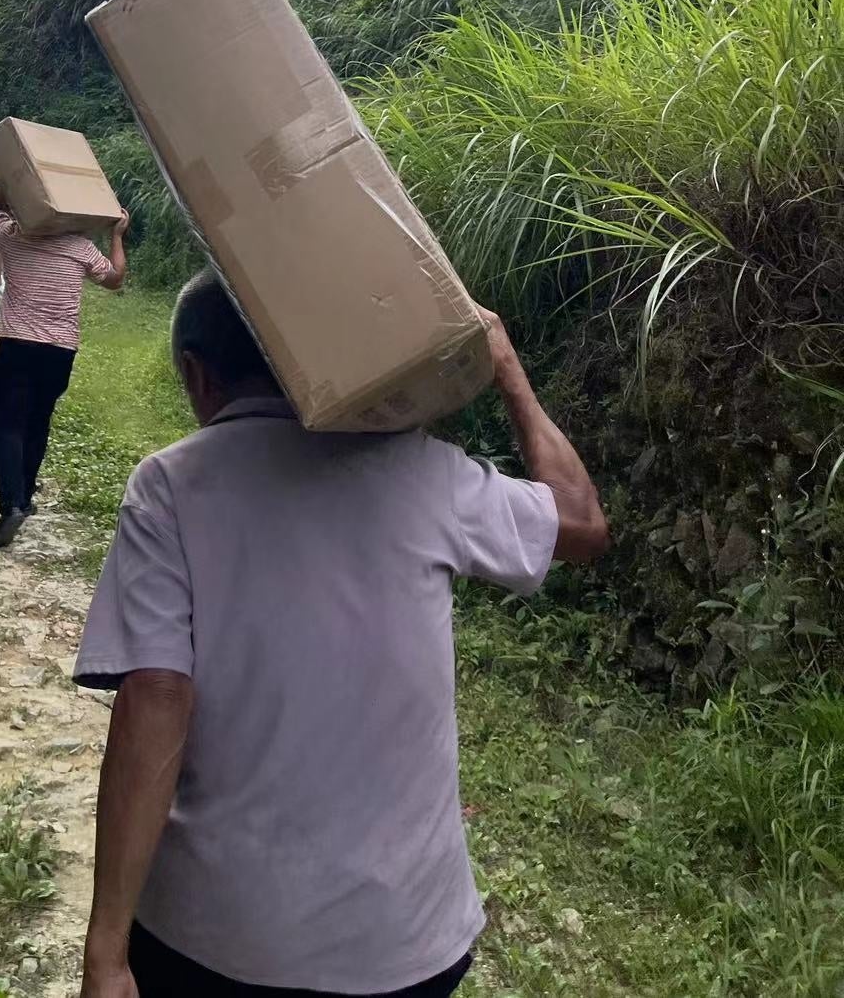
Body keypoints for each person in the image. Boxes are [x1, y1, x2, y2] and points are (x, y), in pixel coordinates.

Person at [74, 269, 610, 998]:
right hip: (407, 946)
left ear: (198, 376)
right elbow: (581, 523)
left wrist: (106, 952)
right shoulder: (424, 471)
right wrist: (507, 369)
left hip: (216, 940)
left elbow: (157, 695)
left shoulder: (170, 487)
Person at [0, 188, 129, 549]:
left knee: (8, 426)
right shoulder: (79, 247)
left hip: (16, 346)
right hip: (59, 352)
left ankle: (11, 504)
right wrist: (116, 235)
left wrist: (10, 174)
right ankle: (27, 496)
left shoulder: (12, 236)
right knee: (38, 420)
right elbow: (115, 279)